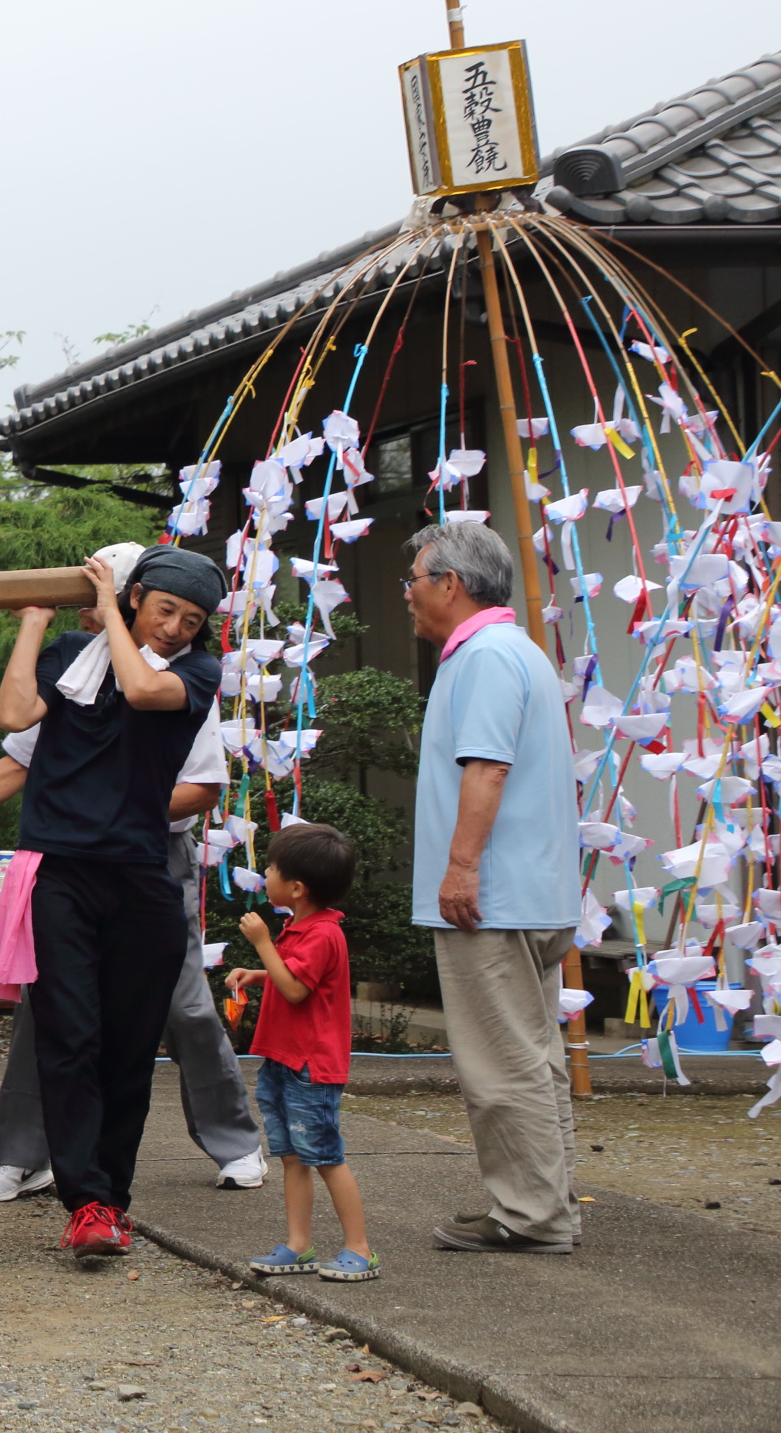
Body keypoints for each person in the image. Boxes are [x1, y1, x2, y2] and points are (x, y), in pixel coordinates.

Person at [0, 544, 263, 1201]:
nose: (175, 628)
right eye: (164, 610)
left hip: (150, 861)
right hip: (64, 868)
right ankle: (66, 1185)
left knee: (160, 1023)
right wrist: (35, 622)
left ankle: (228, 1144)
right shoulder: (72, 657)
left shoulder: (197, 673)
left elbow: (146, 696)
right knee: (60, 1026)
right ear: (135, 599)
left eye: (190, 618)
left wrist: (109, 797)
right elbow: (15, 727)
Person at [402, 519, 582, 1254]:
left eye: (413, 580)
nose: (407, 595)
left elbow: (487, 768)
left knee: (502, 1060)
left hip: (494, 895)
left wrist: (462, 865)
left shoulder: (483, 656)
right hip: (531, 890)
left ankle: (530, 1215)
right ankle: (545, 1202)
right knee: (535, 1057)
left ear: (450, 583)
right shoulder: (519, 650)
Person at [233, 823, 377, 1282]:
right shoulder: (299, 927)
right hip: (283, 1058)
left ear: (295, 888)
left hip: (310, 1066)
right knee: (292, 1156)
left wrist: (260, 944)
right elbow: (292, 975)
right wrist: (257, 974)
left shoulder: (321, 934)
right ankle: (299, 1245)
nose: (265, 875)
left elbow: (295, 989)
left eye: (272, 869)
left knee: (325, 1156)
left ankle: (360, 1247)